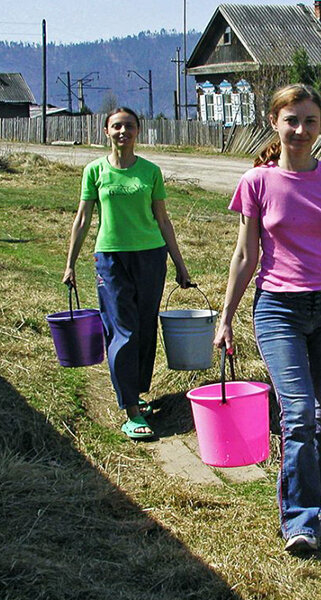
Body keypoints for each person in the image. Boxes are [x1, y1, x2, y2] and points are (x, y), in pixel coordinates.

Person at [213, 84, 321, 554]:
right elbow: (244, 255)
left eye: (309, 121)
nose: (300, 129)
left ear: (320, 126)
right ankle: (299, 519)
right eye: (291, 119)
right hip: (278, 309)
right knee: (299, 414)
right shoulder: (256, 183)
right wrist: (226, 316)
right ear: (275, 121)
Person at [62, 107, 192, 441]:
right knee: (122, 329)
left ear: (138, 131)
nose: (123, 131)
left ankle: (136, 393)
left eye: (129, 126)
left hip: (151, 256)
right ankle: (130, 411)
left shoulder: (150, 172)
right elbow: (82, 219)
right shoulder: (95, 170)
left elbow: (163, 220)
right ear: (106, 131)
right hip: (111, 258)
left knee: (146, 328)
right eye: (117, 126)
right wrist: (70, 263)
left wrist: (179, 263)